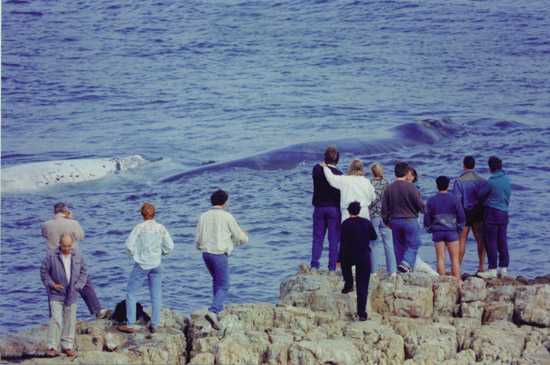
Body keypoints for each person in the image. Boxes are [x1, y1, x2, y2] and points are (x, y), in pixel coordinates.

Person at [41, 203, 108, 319]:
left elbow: (44, 235)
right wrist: (71, 219)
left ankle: (55, 316)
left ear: (55, 212)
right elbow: (81, 236)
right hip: (72, 258)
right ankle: (97, 310)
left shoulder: (46, 224)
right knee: (84, 283)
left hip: (53, 260)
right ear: (66, 212)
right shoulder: (73, 223)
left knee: (53, 288)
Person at [117, 202, 174, 334]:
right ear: (154, 214)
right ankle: (155, 323)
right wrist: (162, 253)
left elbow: (128, 246)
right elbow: (170, 246)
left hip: (142, 264)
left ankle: (130, 323)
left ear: (142, 214)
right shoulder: (161, 227)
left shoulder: (139, 227)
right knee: (156, 295)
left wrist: (135, 254)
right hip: (156, 264)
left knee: (131, 292)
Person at [196, 189, 248, 330]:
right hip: (219, 254)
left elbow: (198, 239)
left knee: (217, 282)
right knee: (224, 285)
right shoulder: (227, 216)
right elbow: (241, 237)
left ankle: (216, 312)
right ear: (225, 202)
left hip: (206, 254)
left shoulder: (203, 216)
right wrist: (243, 236)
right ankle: (213, 311)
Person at [40, 233, 87, 358]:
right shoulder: (51, 256)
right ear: (59, 244)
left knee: (70, 320)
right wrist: (52, 284)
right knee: (56, 319)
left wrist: (78, 286)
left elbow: (84, 272)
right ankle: (52, 347)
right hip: (56, 293)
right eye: (64, 246)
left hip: (72, 293)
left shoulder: (78, 256)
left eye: (69, 246)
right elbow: (44, 272)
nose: (66, 249)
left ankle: (67, 346)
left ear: (72, 245)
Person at [381, 162, 425, 273]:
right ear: (406, 173)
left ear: (395, 173)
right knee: (415, 243)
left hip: (395, 221)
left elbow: (384, 209)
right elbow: (420, 205)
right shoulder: (411, 187)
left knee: (399, 248)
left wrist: (387, 222)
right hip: (410, 220)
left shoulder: (389, 188)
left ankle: (401, 271)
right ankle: (406, 263)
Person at [339, 202, 377, 321]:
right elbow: (374, 237)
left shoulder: (345, 224)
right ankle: (361, 313)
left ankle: (349, 284)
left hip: (349, 254)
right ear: (359, 211)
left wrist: (338, 258)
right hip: (364, 255)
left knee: (345, 266)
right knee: (363, 286)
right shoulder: (366, 222)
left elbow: (342, 242)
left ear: (349, 211)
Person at [451, 156, 488, 273]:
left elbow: (456, 200)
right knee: (480, 239)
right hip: (478, 211)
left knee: (462, 240)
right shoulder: (482, 180)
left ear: (464, 165)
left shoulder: (459, 181)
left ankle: (458, 267)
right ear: (474, 166)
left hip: (464, 212)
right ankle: (481, 267)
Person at [424, 176, 465, 279]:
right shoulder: (455, 199)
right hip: (452, 232)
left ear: (437, 186)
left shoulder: (431, 200)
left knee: (440, 259)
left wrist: (429, 228)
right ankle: (457, 283)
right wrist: (459, 228)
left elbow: (427, 218)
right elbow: (462, 216)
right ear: (448, 185)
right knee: (455, 260)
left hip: (438, 232)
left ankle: (442, 283)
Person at [477, 156, 512, 279]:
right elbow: (507, 196)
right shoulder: (507, 180)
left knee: (490, 241)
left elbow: (480, 196)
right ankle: (504, 268)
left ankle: (492, 268)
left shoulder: (490, 182)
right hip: (504, 212)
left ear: (490, 167)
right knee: (502, 240)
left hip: (491, 213)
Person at [310, 146, 343, 271]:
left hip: (319, 208)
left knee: (318, 238)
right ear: (337, 160)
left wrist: (324, 163)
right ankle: (332, 266)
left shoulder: (317, 170)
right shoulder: (339, 174)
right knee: (333, 239)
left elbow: (320, 165)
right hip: (334, 209)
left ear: (325, 158)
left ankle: (314, 264)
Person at [404, 168, 440, 277]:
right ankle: (412, 263)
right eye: (407, 175)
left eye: (411, 175)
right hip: (409, 218)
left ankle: (415, 264)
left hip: (412, 218)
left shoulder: (415, 188)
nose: (408, 177)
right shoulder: (407, 187)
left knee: (411, 243)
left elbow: (420, 206)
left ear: (414, 177)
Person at [368, 162, 397, 275]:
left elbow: (369, 199)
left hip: (373, 215)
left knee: (373, 244)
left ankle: (374, 271)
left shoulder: (369, 183)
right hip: (386, 216)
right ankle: (392, 271)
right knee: (389, 244)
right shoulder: (388, 183)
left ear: (372, 172)